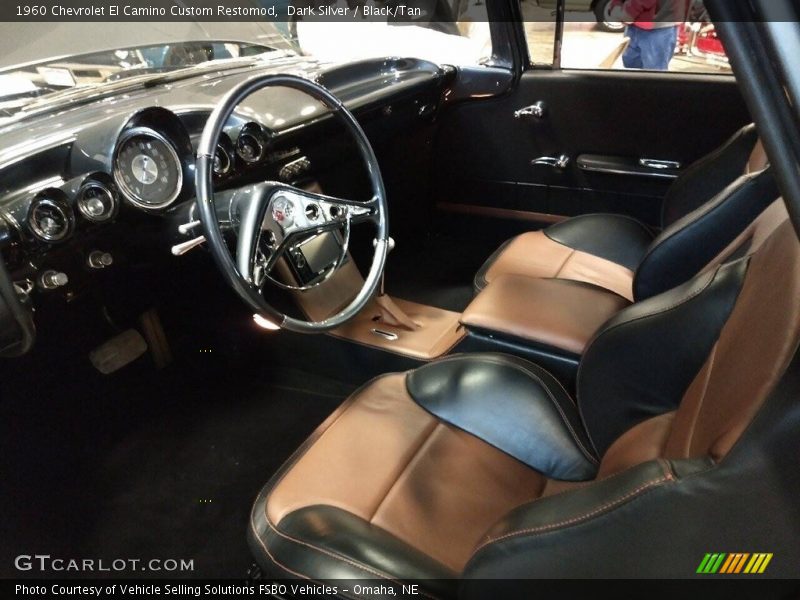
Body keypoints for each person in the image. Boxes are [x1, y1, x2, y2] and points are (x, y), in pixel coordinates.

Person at [609, 0, 688, 71]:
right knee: (632, 69)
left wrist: (627, 13)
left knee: (653, 75)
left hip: (658, 25)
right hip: (637, 23)